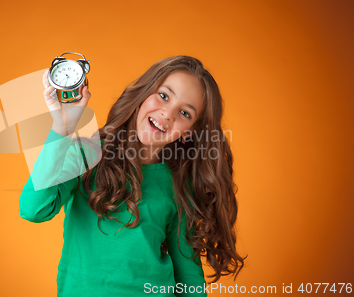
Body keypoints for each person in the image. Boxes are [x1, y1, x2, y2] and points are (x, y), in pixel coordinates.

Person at [19, 56, 246, 296]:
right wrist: (62, 127)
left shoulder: (179, 185)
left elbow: (187, 273)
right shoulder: (86, 154)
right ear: (143, 94)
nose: (168, 114)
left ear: (189, 133)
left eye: (184, 113)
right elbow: (35, 209)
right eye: (164, 95)